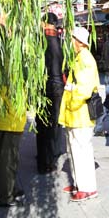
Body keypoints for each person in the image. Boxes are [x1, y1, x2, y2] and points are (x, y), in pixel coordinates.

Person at [60, 26, 99, 202]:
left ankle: (87, 188)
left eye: (72, 39)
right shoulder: (79, 58)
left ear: (78, 41)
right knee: (74, 149)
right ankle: (78, 183)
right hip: (74, 113)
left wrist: (72, 102)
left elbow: (84, 88)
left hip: (80, 112)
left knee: (81, 150)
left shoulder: (85, 59)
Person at [0, 81, 27, 207]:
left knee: (8, 160)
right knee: (8, 161)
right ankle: (5, 196)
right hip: (10, 122)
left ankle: (9, 189)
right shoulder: (8, 66)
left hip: (6, 121)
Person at [36, 13, 65, 173]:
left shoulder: (41, 42)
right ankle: (51, 157)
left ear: (46, 24)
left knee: (43, 124)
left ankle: (44, 159)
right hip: (58, 85)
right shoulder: (61, 42)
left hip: (45, 85)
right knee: (54, 124)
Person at [93, 20, 109, 137]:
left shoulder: (107, 43)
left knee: (108, 101)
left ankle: (99, 126)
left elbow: (103, 58)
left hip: (108, 74)